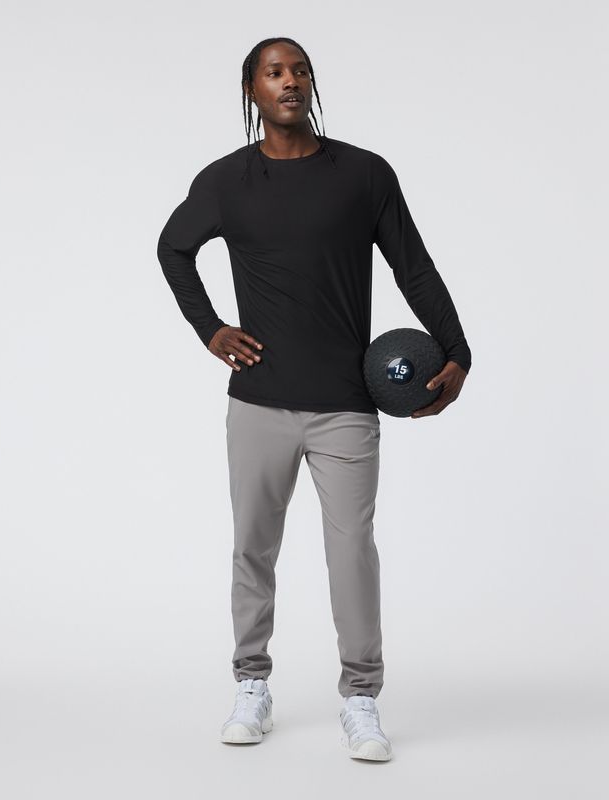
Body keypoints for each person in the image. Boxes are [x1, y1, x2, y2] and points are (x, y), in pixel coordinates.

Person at [156, 36, 472, 762]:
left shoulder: (364, 174)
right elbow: (173, 248)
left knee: (352, 549)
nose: (289, 80)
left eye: (299, 70)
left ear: (311, 84)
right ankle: (251, 684)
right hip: (259, 401)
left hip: (346, 404)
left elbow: (414, 267)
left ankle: (361, 697)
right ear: (252, 90)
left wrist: (459, 351)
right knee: (253, 548)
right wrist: (210, 329)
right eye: (274, 72)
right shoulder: (226, 181)